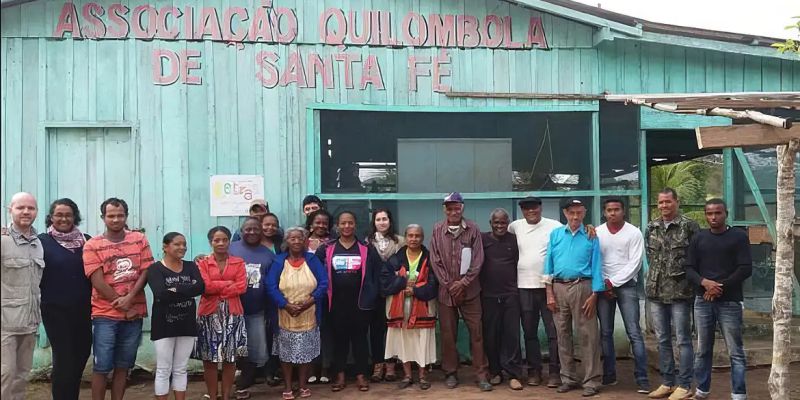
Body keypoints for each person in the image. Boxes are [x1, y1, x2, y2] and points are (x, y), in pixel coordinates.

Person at [83, 197, 154, 400]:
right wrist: (123, 305)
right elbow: (97, 281)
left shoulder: (139, 239)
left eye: (120, 215)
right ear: (103, 217)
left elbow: (146, 271)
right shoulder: (92, 245)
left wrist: (131, 298)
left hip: (134, 314)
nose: (115, 219)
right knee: (101, 367)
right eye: (111, 216)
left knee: (123, 367)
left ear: (126, 216)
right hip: (104, 315)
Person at [686, 199, 752, 400]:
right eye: (709, 213)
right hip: (703, 300)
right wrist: (705, 283)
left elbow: (745, 268)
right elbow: (689, 268)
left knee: (735, 351)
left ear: (726, 213)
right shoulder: (699, 238)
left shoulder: (739, 237)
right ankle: (702, 390)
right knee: (703, 349)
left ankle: (738, 393)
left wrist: (718, 287)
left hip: (729, 302)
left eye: (718, 213)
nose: (713, 217)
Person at [428, 192, 491, 391]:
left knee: (477, 333)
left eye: (457, 207)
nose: (453, 211)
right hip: (446, 293)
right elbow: (435, 261)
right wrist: (449, 284)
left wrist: (463, 283)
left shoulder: (473, 229)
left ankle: (481, 374)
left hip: (470, 291)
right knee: (448, 334)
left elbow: (478, 260)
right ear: (444, 209)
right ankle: (451, 372)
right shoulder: (437, 229)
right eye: (449, 207)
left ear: (462, 208)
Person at [314, 211, 382, 392]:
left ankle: (361, 375)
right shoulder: (327, 249)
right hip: (335, 304)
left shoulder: (367, 248)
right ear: (337, 225)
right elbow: (316, 273)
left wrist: (372, 294)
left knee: (360, 340)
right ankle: (340, 375)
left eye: (350, 223)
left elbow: (376, 275)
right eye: (343, 223)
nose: (346, 226)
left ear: (355, 225)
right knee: (339, 340)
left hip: (360, 303)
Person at [543, 198, 603, 397]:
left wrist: (595, 294)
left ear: (584, 212)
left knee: (588, 335)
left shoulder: (591, 235)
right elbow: (548, 265)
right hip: (558, 287)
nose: (575, 216)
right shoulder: (556, 234)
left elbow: (596, 265)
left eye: (579, 212)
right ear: (565, 214)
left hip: (582, 287)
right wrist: (549, 293)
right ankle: (568, 378)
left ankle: (591, 381)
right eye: (571, 213)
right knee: (562, 334)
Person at [645, 188, 700, 400]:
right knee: (662, 339)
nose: (664, 206)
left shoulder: (689, 226)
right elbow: (651, 256)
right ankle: (667, 382)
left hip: (680, 292)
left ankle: (685, 385)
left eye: (668, 202)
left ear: (677, 202)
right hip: (656, 292)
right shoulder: (652, 227)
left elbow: (696, 257)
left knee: (683, 340)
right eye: (660, 202)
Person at [38, 198, 92, 400]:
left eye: (68, 214)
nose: (63, 218)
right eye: (58, 214)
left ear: (75, 217)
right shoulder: (41, 242)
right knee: (64, 358)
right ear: (51, 217)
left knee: (82, 353)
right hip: (55, 310)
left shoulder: (87, 240)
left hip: (83, 309)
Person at [266, 227, 329, 400]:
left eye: (299, 238)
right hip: (284, 314)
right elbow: (270, 286)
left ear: (305, 241)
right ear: (287, 241)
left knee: (306, 352)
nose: (296, 241)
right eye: (292, 238)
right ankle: (287, 386)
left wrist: (309, 302)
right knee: (285, 354)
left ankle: (302, 385)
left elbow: (324, 283)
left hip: (309, 312)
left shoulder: (313, 260)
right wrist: (285, 305)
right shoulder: (279, 261)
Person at [507, 196, 562, 388]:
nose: (531, 212)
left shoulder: (554, 226)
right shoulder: (515, 226)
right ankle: (534, 371)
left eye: (534, 208)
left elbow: (569, 236)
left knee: (553, 332)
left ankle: (555, 372)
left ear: (541, 208)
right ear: (522, 210)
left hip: (549, 288)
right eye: (526, 209)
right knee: (529, 332)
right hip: (523, 288)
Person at [596, 198, 650, 393]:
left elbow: (635, 263)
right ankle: (609, 375)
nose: (613, 213)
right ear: (604, 212)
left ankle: (642, 378)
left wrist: (613, 282)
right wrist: (604, 283)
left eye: (616, 209)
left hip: (627, 286)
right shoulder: (598, 232)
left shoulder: (633, 232)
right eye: (609, 210)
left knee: (634, 332)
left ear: (623, 211)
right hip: (602, 287)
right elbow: (595, 260)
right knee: (605, 333)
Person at [146, 232, 205, 400]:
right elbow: (160, 294)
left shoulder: (190, 266)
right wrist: (187, 289)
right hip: (163, 324)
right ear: (165, 247)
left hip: (187, 323)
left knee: (181, 367)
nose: (182, 247)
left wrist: (175, 289)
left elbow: (200, 287)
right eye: (177, 244)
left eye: (184, 244)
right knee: (164, 368)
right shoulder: (155, 269)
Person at [381, 224, 438, 391]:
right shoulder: (395, 258)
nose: (414, 239)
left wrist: (416, 290)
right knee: (404, 340)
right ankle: (407, 375)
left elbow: (434, 284)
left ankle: (422, 376)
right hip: (400, 306)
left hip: (423, 306)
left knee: (423, 340)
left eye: (417, 236)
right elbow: (385, 282)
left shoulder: (429, 258)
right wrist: (403, 282)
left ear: (422, 237)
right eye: (411, 235)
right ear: (405, 237)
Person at [195, 226, 248, 400]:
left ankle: (226, 395)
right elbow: (205, 287)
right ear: (210, 242)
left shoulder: (238, 262)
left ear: (229, 241)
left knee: (230, 358)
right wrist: (227, 284)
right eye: (217, 240)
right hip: (209, 315)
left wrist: (219, 288)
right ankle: (212, 395)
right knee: (209, 359)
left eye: (224, 239)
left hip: (233, 314)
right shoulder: (202, 263)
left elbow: (242, 286)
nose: (221, 243)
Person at [1, 192, 44, 400]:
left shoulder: (38, 243)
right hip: (4, 324)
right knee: (5, 374)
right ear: (10, 210)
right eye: (20, 208)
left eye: (31, 208)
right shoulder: (2, 240)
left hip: (29, 321)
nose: (26, 212)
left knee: (22, 374)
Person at [229, 218, 276, 396]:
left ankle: (244, 384)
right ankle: (232, 383)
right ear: (241, 231)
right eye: (248, 229)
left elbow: (272, 282)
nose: (252, 232)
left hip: (256, 310)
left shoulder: (268, 254)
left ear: (261, 231)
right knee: (233, 348)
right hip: (232, 309)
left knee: (253, 349)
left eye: (256, 229)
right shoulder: (231, 249)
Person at [479, 208, 524, 390]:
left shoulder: (513, 240)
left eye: (503, 222)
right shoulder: (483, 240)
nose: (500, 226)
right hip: (488, 296)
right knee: (491, 336)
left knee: (511, 335)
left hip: (511, 295)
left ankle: (513, 374)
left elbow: (516, 262)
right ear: (491, 224)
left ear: (508, 223)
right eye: (496, 222)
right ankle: (495, 371)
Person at [366, 208, 405, 382]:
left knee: (393, 329)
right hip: (374, 293)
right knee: (376, 330)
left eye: (385, 219)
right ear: (373, 222)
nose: (382, 222)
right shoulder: (366, 242)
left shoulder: (400, 242)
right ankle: (377, 365)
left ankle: (391, 365)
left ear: (390, 221)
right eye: (378, 219)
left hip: (394, 292)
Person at [304, 208, 334, 384]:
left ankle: (325, 367)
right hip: (305, 293)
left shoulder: (332, 243)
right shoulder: (303, 242)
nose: (321, 225)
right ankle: (310, 369)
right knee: (309, 331)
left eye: (324, 223)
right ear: (311, 224)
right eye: (318, 222)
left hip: (328, 292)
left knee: (327, 332)